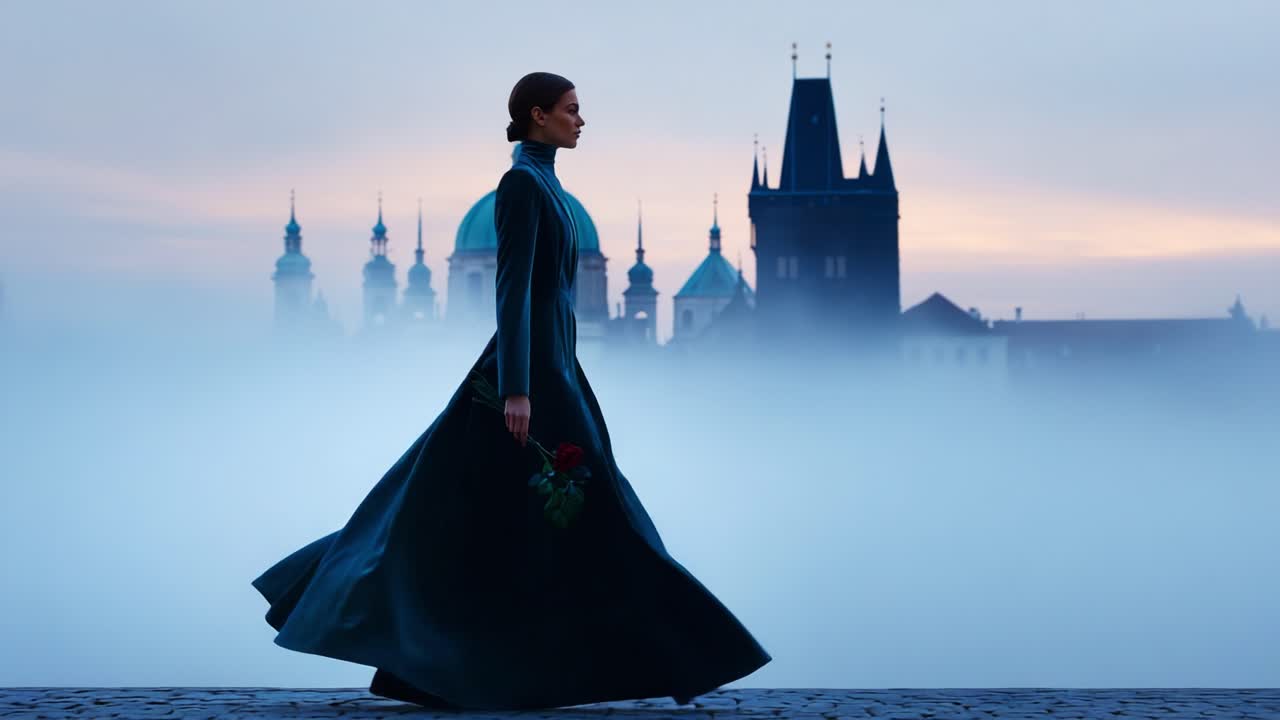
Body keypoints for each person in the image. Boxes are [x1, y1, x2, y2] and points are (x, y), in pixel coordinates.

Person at [250, 71, 772, 711]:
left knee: (475, 516)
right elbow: (514, 289)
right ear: (537, 115)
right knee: (579, 511)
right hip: (530, 376)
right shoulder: (522, 184)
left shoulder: (549, 183)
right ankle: (686, 655)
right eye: (572, 110)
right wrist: (518, 390)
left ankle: (468, 666)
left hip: (555, 364)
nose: (582, 121)